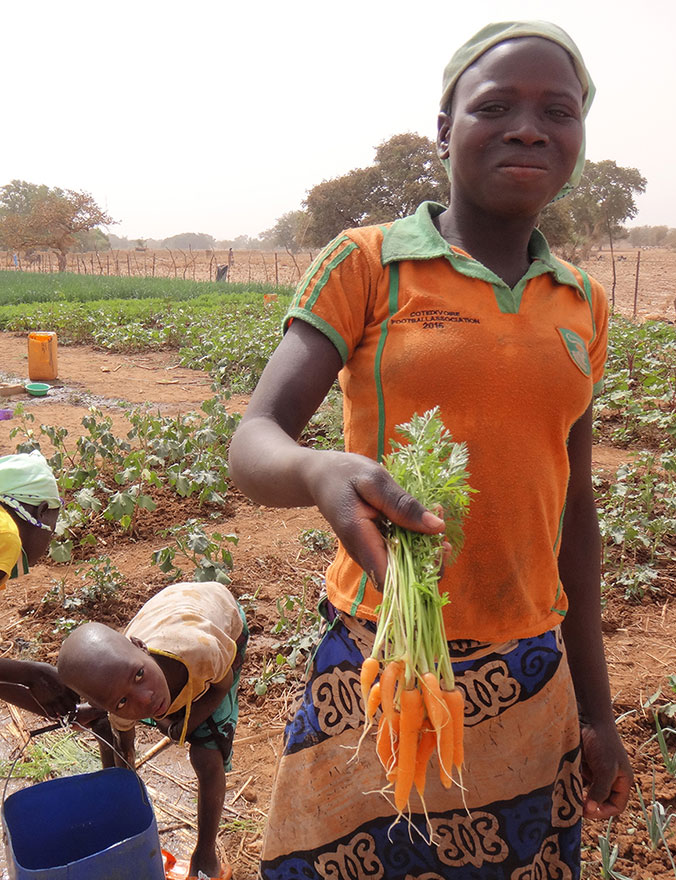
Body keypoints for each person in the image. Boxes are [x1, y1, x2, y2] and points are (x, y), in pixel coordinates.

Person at [227, 20, 633, 880]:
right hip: (384, 654)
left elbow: (575, 509)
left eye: (558, 110)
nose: (529, 126)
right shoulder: (368, 262)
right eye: (496, 106)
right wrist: (317, 469)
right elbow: (253, 440)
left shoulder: (582, 301)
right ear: (445, 131)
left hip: (529, 664)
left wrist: (596, 711)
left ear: (578, 140)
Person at [57, 580, 248, 880]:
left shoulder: (202, 651)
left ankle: (206, 853)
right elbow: (126, 746)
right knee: (123, 723)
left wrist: (182, 727)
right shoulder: (123, 684)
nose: (145, 697)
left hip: (220, 622)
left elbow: (221, 686)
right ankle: (107, 717)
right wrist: (127, 800)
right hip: (163, 618)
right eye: (121, 701)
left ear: (140, 647)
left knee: (207, 756)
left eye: (139, 675)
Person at [0, 450, 77, 719]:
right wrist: (31, 673)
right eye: (52, 529)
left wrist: (35, 690)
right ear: (42, 511)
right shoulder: (5, 534)